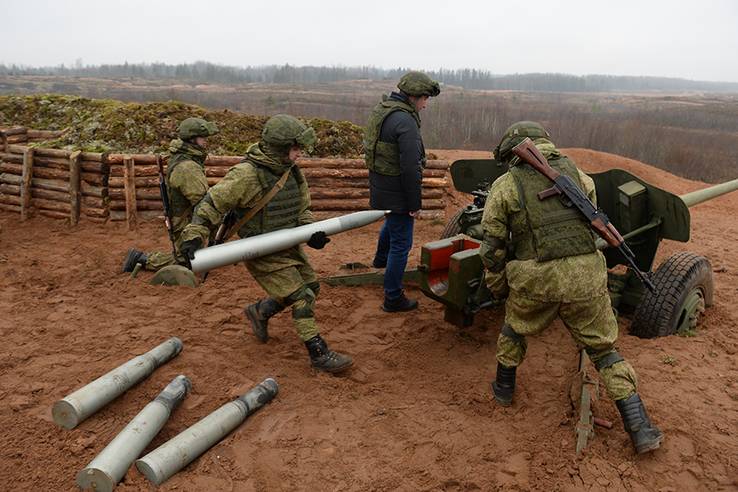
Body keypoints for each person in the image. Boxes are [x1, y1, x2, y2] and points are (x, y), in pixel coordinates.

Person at [480, 121, 663, 454]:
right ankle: (640, 428)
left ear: (514, 151)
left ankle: (504, 389)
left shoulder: (506, 186)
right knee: (605, 351)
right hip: (585, 279)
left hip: (535, 280)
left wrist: (497, 285)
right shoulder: (582, 178)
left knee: (513, 329)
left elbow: (492, 247)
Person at [178, 114, 353, 374]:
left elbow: (302, 205)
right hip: (260, 249)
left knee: (312, 287)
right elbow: (211, 205)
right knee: (301, 297)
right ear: (280, 148)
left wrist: (311, 231)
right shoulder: (246, 175)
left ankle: (260, 311)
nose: (299, 154)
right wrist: (193, 235)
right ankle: (319, 353)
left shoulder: (290, 170)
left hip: (288, 244)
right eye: (295, 149)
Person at [365, 71, 440, 312]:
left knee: (392, 222)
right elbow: (410, 167)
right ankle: (393, 297)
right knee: (402, 243)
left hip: (381, 186)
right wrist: (414, 204)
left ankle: (380, 260)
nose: (426, 105)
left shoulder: (384, 109)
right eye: (425, 98)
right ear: (414, 96)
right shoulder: (405, 121)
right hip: (397, 190)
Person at [122, 117, 219, 272]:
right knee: (187, 261)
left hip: (184, 217)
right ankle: (143, 259)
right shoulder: (187, 167)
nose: (206, 141)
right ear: (192, 140)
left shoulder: (184, 156)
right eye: (203, 138)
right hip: (186, 221)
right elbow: (202, 202)